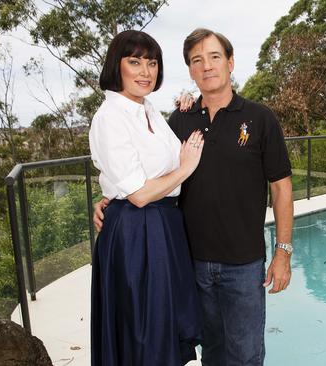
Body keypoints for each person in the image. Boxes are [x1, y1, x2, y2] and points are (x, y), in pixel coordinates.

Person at [95, 28, 294, 366]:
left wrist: (283, 252)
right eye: (197, 60)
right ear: (189, 70)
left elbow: (281, 187)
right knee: (209, 355)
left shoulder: (260, 119)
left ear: (230, 63)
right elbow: (146, 173)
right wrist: (110, 200)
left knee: (246, 356)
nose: (207, 66)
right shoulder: (179, 119)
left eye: (215, 57)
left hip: (244, 265)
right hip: (190, 262)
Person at [89, 30, 203, 366]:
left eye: (152, 63)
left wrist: (189, 101)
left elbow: (159, 163)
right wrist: (186, 168)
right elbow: (138, 194)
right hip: (137, 233)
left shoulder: (149, 110)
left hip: (162, 225)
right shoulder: (110, 117)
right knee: (142, 333)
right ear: (117, 66)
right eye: (135, 62)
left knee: (162, 331)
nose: (145, 71)